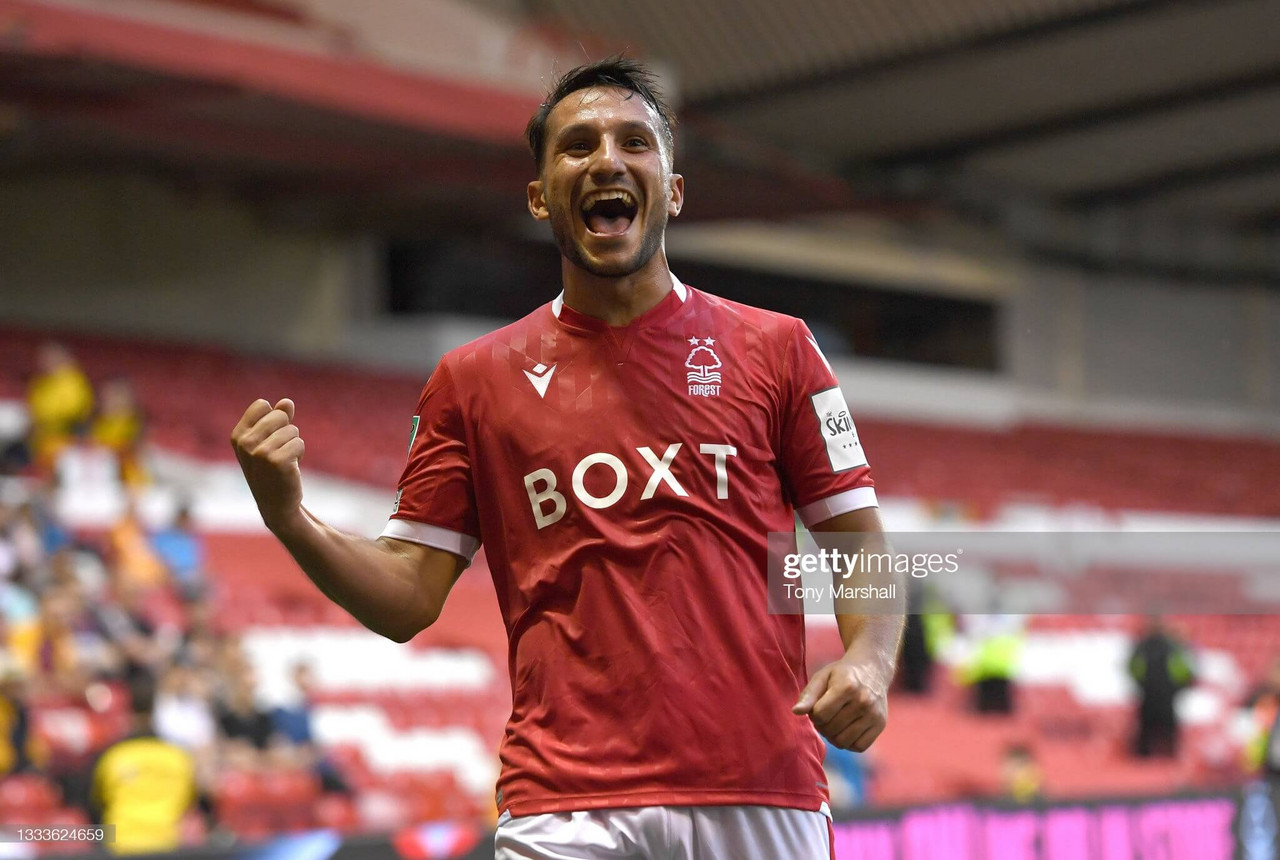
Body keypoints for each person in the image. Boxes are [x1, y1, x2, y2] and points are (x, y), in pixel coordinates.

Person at [230, 57, 902, 859]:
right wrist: (287, 517)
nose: (607, 161)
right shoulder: (473, 380)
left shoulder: (779, 350)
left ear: (674, 191)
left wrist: (869, 659)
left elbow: (859, 541)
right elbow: (407, 597)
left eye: (633, 143)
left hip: (760, 792)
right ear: (541, 195)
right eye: (577, 145)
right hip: (564, 809)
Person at [90, 680, 197, 854]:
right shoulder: (177, 756)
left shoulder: (113, 756)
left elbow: (97, 803)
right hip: (167, 844)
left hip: (122, 844)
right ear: (155, 712)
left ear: (128, 713)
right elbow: (190, 802)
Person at [1128, 615, 1194, 758]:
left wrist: (1142, 684)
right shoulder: (1172, 646)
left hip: (1149, 693)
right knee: (1165, 728)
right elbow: (1183, 670)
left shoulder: (1142, 646)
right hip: (1165, 694)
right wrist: (1177, 686)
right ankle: (1166, 756)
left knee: (1147, 729)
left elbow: (1133, 668)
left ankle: (1145, 757)